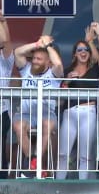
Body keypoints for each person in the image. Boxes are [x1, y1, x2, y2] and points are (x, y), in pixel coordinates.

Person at [56, 21, 99, 180]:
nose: (83, 52)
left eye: (86, 49)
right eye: (80, 50)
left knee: (86, 155)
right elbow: (61, 92)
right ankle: (58, 185)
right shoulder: (67, 71)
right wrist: (67, 81)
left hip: (89, 112)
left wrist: (97, 34)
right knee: (63, 154)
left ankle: (83, 186)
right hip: (70, 113)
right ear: (74, 54)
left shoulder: (94, 70)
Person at [12, 35, 63, 176]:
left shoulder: (54, 73)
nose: (34, 61)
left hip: (46, 112)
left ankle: (37, 161)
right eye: (33, 58)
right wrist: (37, 44)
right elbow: (17, 52)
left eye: (39, 59)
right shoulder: (26, 70)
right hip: (26, 112)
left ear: (48, 62)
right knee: (18, 125)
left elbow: (58, 64)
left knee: (47, 124)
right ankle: (32, 161)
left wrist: (47, 46)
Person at [0, 12, 14, 179]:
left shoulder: (6, 61)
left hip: (1, 111)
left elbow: (5, 41)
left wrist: (3, 21)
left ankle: (1, 181)